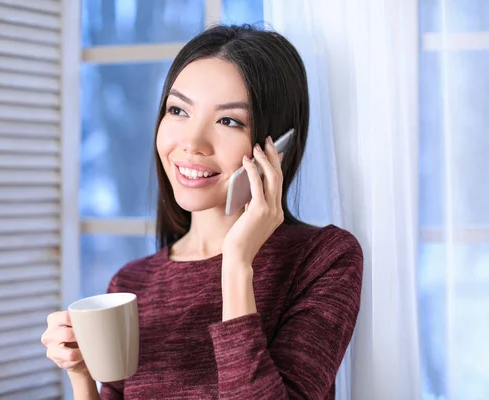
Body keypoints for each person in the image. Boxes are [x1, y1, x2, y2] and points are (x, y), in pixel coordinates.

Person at [41, 23, 363, 400]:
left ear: (277, 147)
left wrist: (237, 265)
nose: (191, 143)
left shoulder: (325, 258)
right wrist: (81, 375)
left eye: (229, 121)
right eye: (178, 110)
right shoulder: (131, 284)